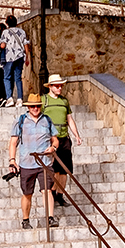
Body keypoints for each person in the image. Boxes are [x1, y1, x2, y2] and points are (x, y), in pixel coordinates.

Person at [8, 93, 59, 228]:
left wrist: (53, 147)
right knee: (27, 193)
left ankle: (50, 217)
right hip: (26, 163)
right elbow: (13, 142)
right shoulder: (20, 120)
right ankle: (25, 220)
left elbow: (55, 139)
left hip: (45, 162)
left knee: (47, 190)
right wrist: (12, 161)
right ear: (28, 107)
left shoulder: (47, 120)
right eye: (32, 106)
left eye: (37, 106)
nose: (35, 108)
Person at [40, 74, 81, 207]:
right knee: (54, 169)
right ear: (50, 86)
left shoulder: (64, 101)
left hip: (64, 138)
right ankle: (51, 193)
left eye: (61, 85)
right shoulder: (44, 100)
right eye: (57, 86)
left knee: (65, 169)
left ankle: (60, 195)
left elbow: (69, 119)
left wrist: (76, 135)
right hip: (50, 139)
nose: (59, 88)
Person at [0, 15, 30, 106]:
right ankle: (20, 99)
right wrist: (27, 57)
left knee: (7, 77)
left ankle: (9, 98)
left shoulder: (5, 32)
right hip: (20, 57)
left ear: (7, 23)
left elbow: (3, 46)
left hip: (9, 57)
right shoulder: (22, 32)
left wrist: (0, 44)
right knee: (18, 78)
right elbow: (25, 45)